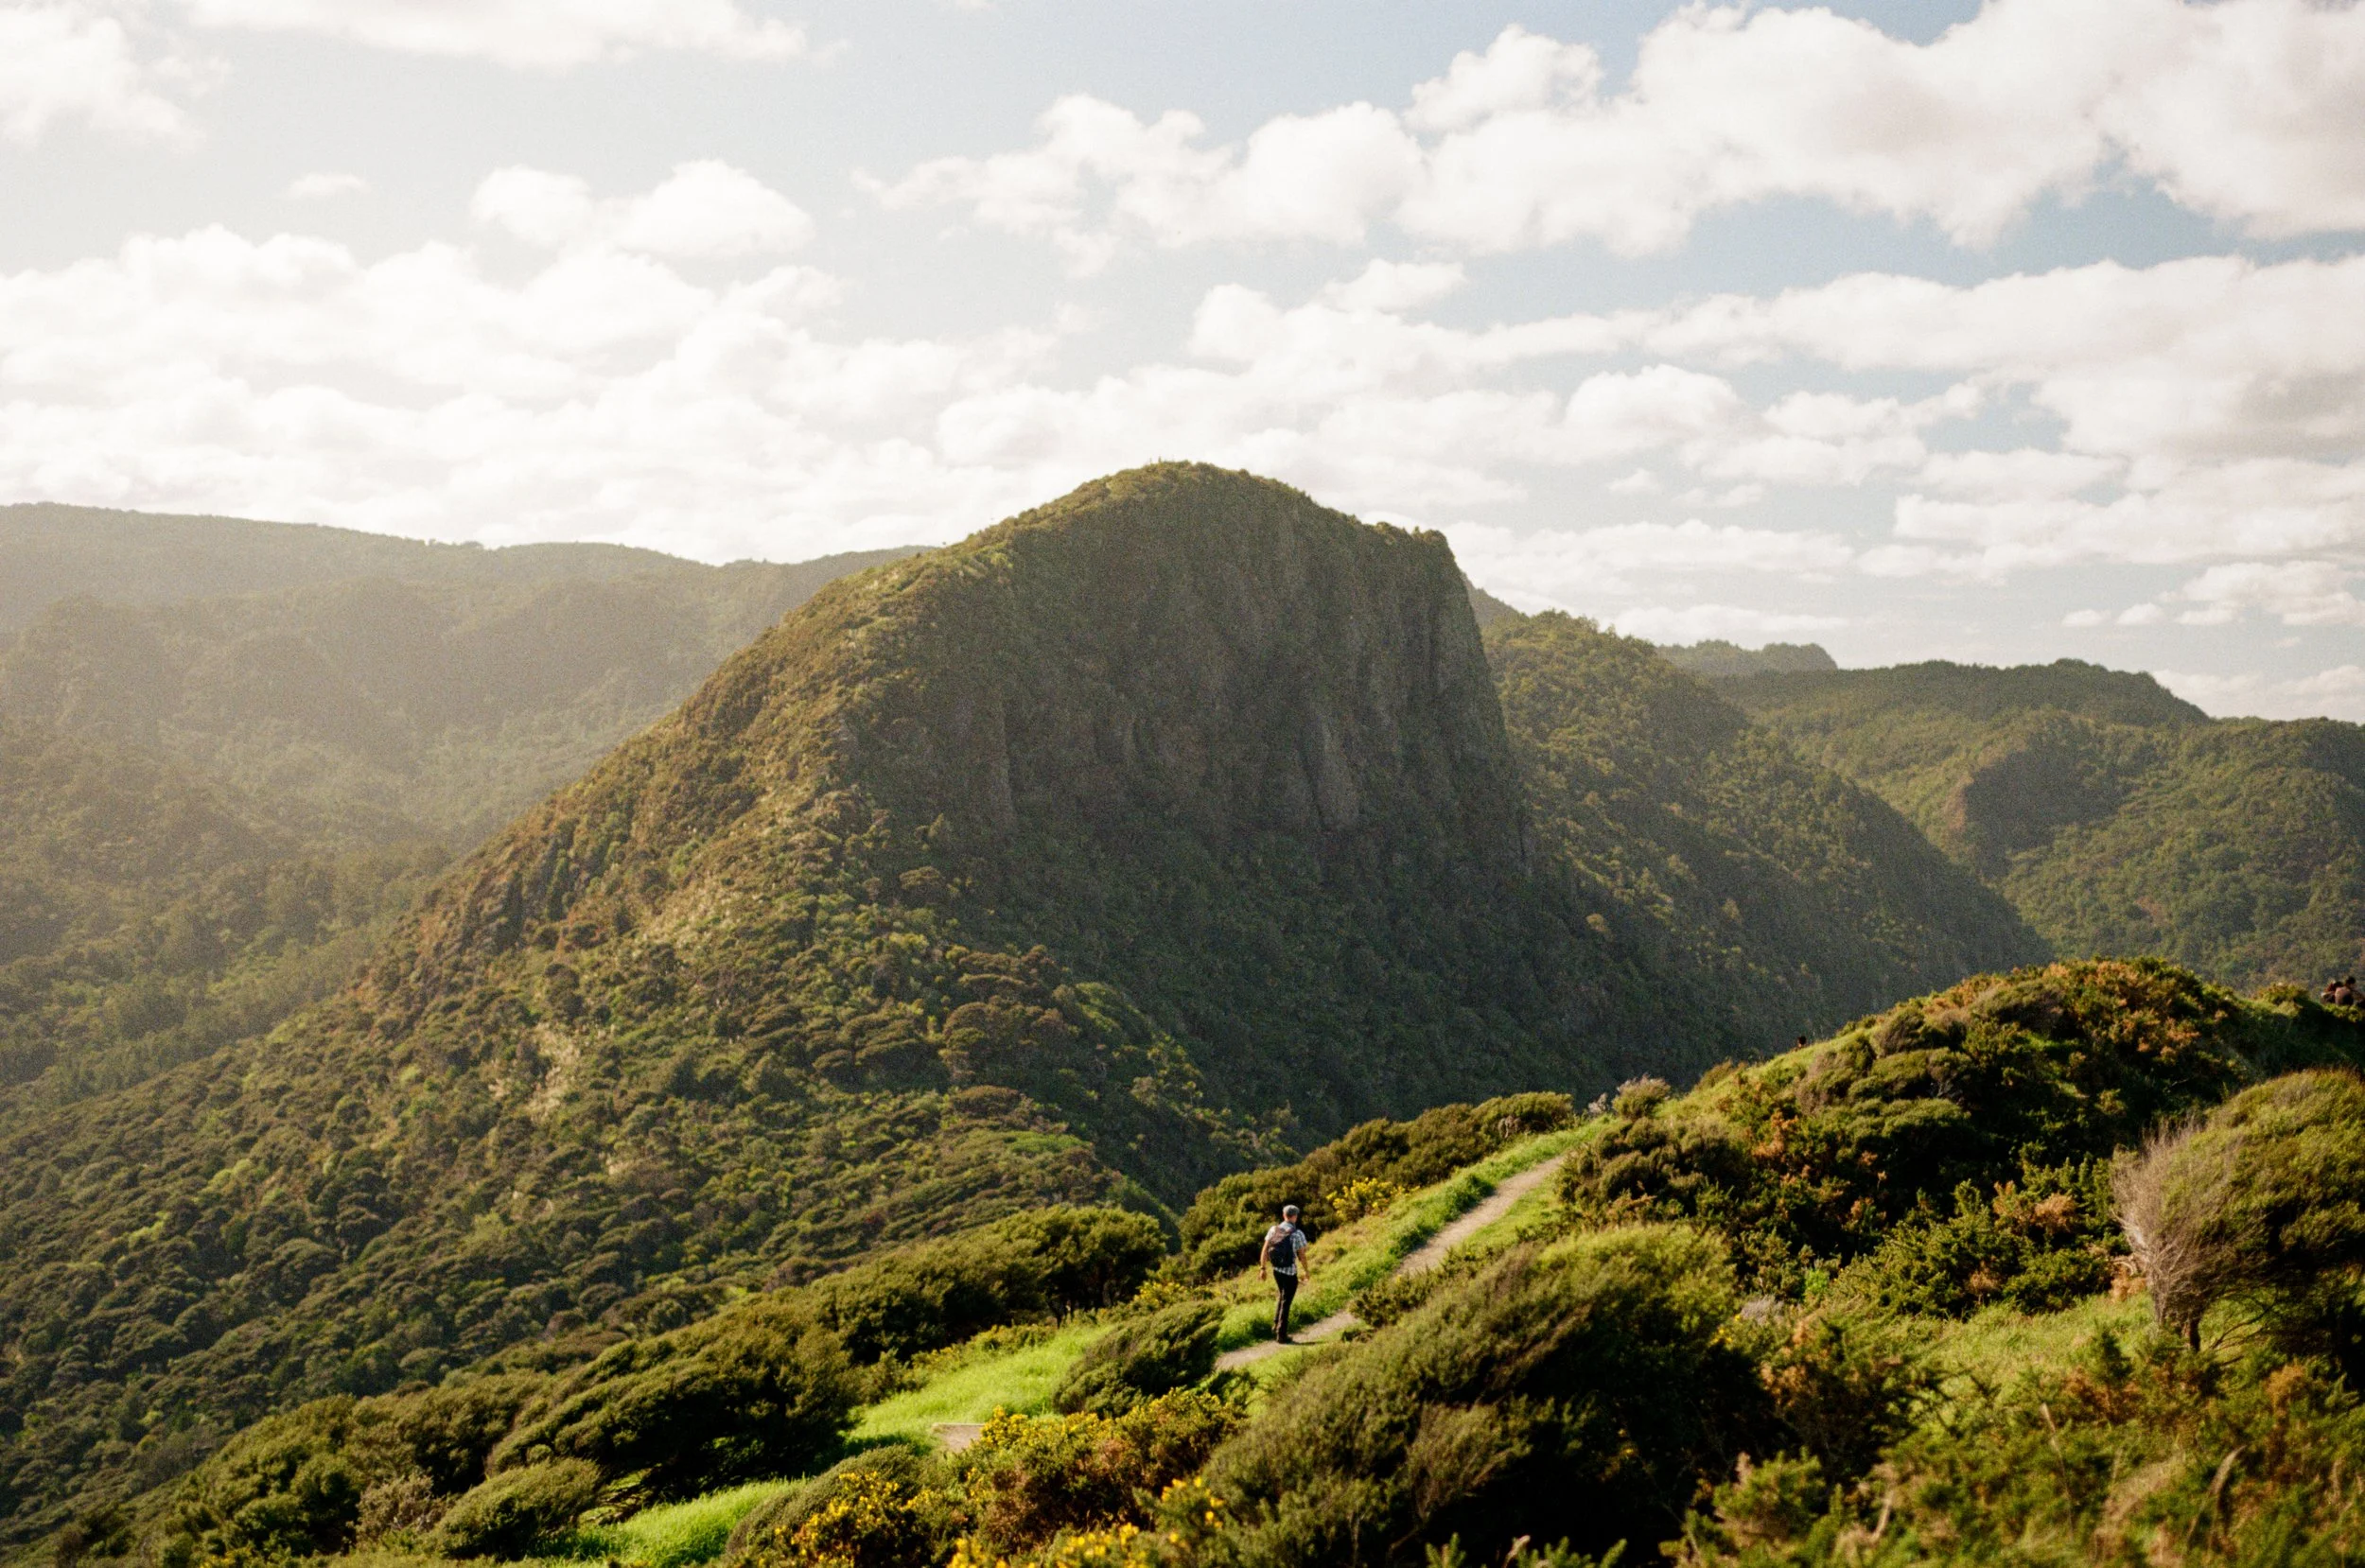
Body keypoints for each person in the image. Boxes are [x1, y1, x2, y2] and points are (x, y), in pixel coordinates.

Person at [1260, 1203, 1312, 1343]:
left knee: (1283, 1297)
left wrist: (1263, 1268)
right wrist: (1306, 1271)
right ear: (1295, 1216)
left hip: (1276, 1270)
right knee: (1286, 1302)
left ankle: (1276, 1325)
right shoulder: (1297, 1234)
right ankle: (1281, 1335)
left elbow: (1265, 1250)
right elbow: (1302, 1256)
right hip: (1290, 1272)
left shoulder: (1273, 1229)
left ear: (1284, 1215)